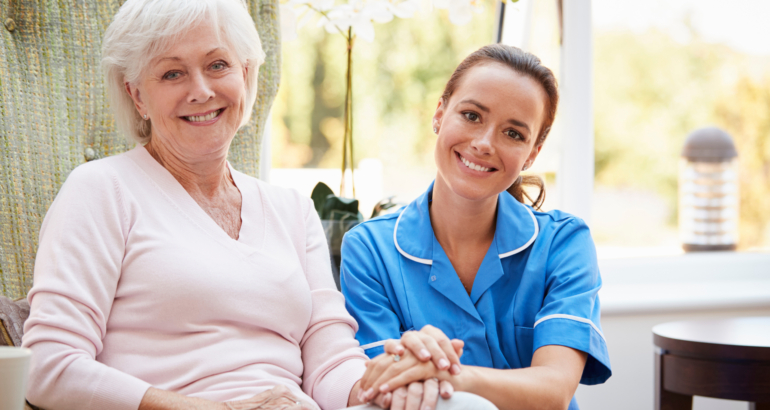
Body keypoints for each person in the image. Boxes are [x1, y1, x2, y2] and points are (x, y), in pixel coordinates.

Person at [21, 1, 481, 409]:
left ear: (246, 75)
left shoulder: (291, 209)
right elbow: (47, 367)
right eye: (172, 73)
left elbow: (330, 363)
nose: (201, 90)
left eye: (217, 65)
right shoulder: (101, 190)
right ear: (137, 95)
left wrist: (393, 379)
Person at [340, 44, 612, 410]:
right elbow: (382, 382)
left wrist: (451, 374)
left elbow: (554, 389)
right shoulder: (369, 249)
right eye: (471, 115)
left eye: (513, 134)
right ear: (440, 113)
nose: (483, 143)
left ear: (533, 152)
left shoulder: (564, 243)